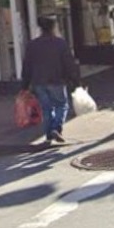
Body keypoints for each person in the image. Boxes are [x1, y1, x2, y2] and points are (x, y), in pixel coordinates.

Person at [20, 16, 82, 144]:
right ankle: (56, 127)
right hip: (56, 80)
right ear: (54, 27)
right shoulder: (60, 43)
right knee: (61, 105)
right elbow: (69, 64)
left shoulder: (32, 45)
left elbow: (27, 65)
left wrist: (25, 85)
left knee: (46, 108)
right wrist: (75, 81)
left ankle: (49, 133)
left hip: (38, 81)